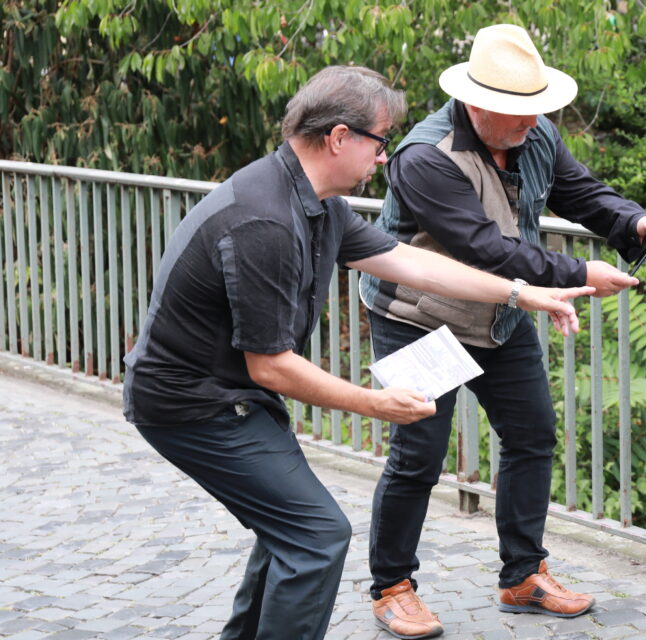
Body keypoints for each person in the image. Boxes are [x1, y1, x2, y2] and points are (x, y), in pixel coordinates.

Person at [122, 65, 592, 640]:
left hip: (237, 398)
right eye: (381, 141)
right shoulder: (265, 220)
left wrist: (522, 293)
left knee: (290, 533)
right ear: (340, 137)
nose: (384, 158)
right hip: (191, 407)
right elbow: (269, 365)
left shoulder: (319, 203)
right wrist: (376, 404)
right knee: (316, 536)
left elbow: (411, 262)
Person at [359, 23, 646, 636]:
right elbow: (487, 250)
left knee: (533, 434)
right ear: (480, 105)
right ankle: (392, 585)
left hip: (501, 314)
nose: (535, 122)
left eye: (539, 110)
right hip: (418, 319)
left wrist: (632, 223)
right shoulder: (426, 157)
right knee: (419, 455)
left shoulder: (535, 133)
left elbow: (579, 192)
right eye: (522, 112)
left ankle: (522, 575)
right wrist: (580, 272)